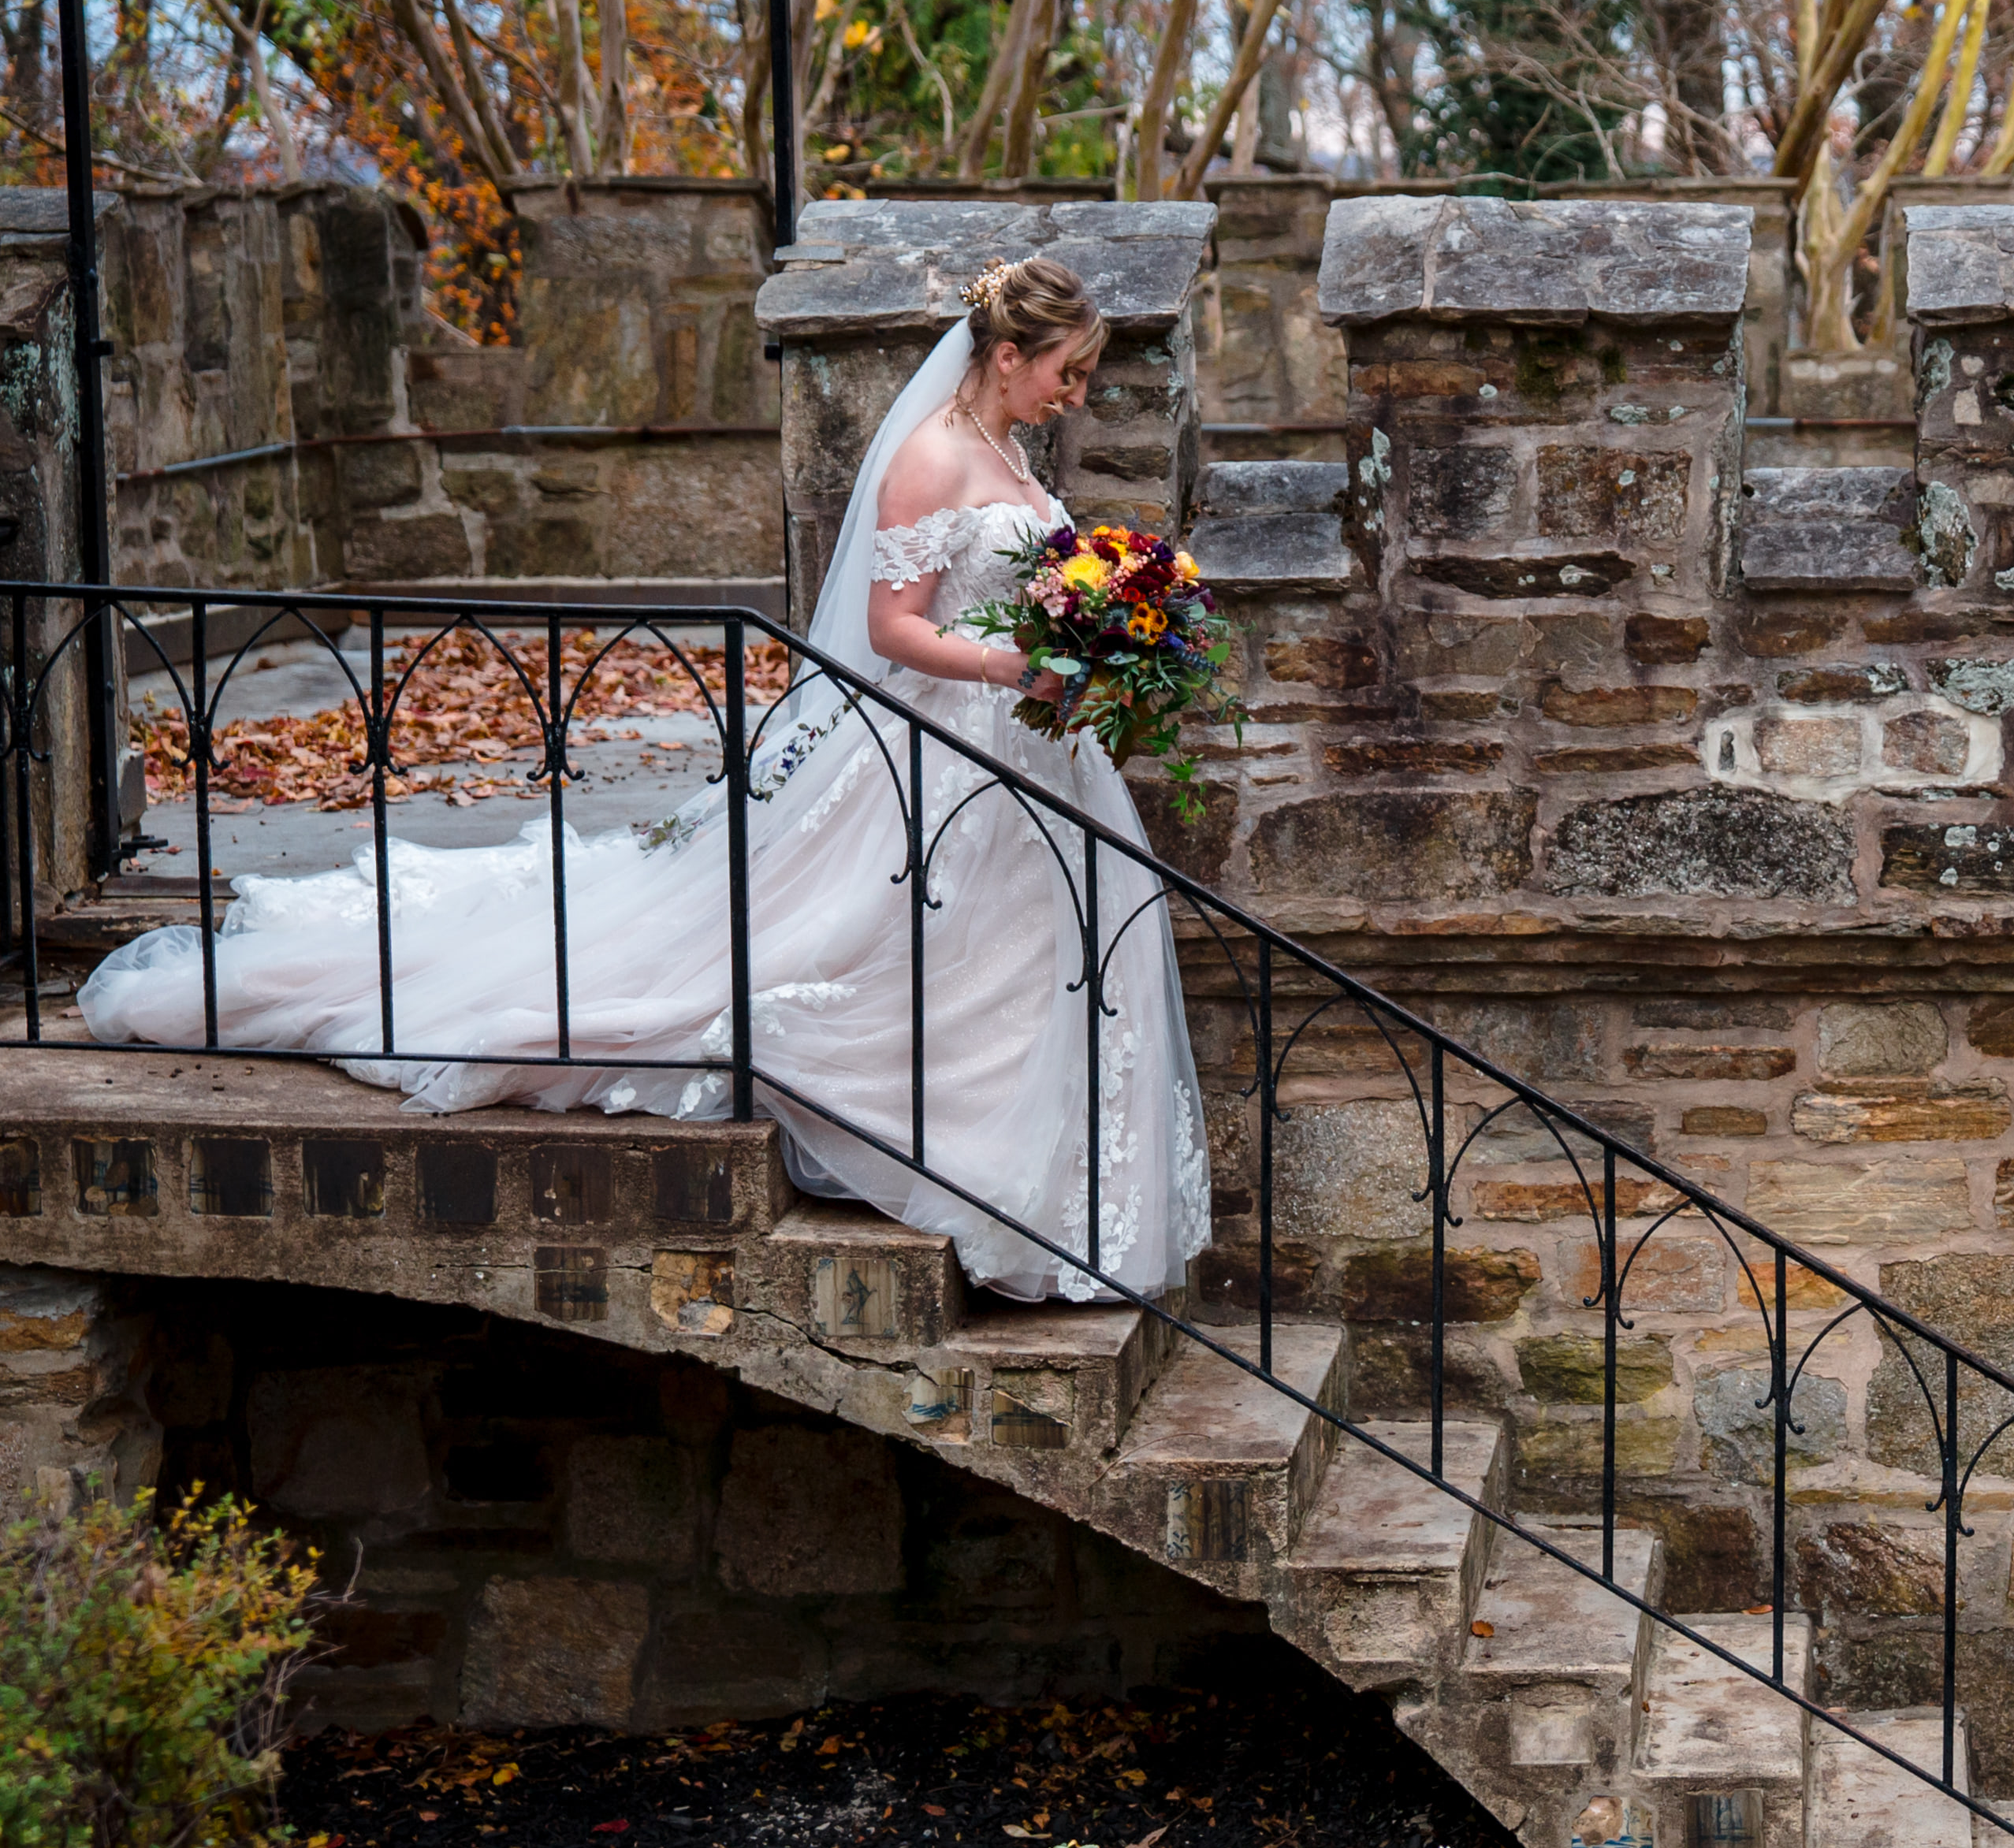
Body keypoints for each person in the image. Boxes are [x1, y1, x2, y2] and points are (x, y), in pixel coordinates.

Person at [81, 259, 1210, 1304]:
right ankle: (977, 1166)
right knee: (885, 936)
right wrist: (1015, 661)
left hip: (1028, 746)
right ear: (1009, 354)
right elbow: (890, 627)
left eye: (1088, 375)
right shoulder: (928, 457)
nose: (1078, 391)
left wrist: (1094, 641)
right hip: (944, 742)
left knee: (1047, 942)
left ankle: (1045, 1188)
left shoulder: (1013, 455)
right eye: (1070, 370)